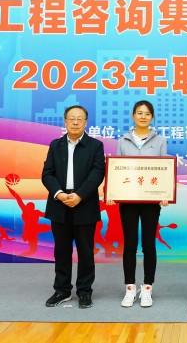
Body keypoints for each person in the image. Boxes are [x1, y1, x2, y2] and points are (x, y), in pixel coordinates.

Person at [106, 100, 169, 308]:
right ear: (133, 116)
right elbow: (117, 168)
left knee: (149, 244)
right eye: (139, 113)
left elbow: (164, 169)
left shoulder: (160, 140)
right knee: (130, 244)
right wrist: (112, 191)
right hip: (128, 200)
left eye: (147, 114)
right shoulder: (123, 140)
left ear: (152, 117)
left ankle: (147, 288)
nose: (143, 117)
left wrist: (165, 193)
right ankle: (130, 288)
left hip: (151, 200)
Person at [41, 105, 105, 309]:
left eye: (80, 119)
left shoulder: (95, 146)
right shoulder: (55, 145)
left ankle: (84, 291)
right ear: (65, 121)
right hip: (59, 204)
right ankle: (62, 290)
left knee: (85, 251)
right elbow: (47, 174)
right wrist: (59, 194)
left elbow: (97, 173)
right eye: (72, 118)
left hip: (84, 203)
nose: (75, 122)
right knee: (61, 250)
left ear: (86, 122)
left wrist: (79, 195)